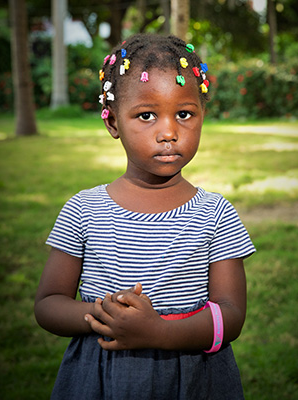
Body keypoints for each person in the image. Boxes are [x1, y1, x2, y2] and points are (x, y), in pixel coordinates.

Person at [34, 33, 256, 400]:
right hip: (101, 382)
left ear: (202, 116)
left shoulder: (216, 214)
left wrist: (159, 332)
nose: (168, 133)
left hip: (193, 381)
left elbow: (231, 316)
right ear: (113, 123)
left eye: (184, 114)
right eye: (147, 115)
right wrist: (105, 315)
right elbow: (48, 305)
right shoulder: (84, 210)